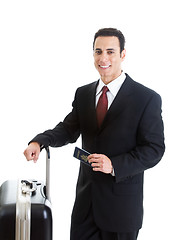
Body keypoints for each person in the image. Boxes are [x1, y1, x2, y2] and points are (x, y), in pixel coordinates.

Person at [24, 28, 165, 240]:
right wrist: (39, 142)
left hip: (121, 208)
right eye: (98, 52)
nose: (103, 58)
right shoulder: (84, 93)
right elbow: (68, 129)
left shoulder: (146, 98)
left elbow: (154, 149)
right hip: (85, 204)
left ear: (122, 55)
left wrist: (114, 165)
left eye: (110, 51)